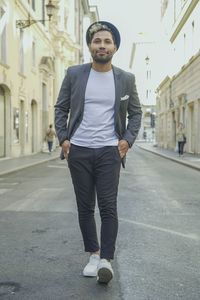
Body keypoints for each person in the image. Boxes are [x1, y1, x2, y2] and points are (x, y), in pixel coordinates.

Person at [54, 21, 142, 284]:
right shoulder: (74, 74)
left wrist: (127, 140)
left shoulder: (125, 79)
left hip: (109, 151)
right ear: (90, 46)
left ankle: (106, 260)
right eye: (97, 41)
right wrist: (64, 139)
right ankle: (93, 254)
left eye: (107, 41)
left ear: (115, 47)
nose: (102, 45)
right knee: (84, 207)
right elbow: (61, 107)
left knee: (108, 206)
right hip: (78, 150)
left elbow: (136, 113)